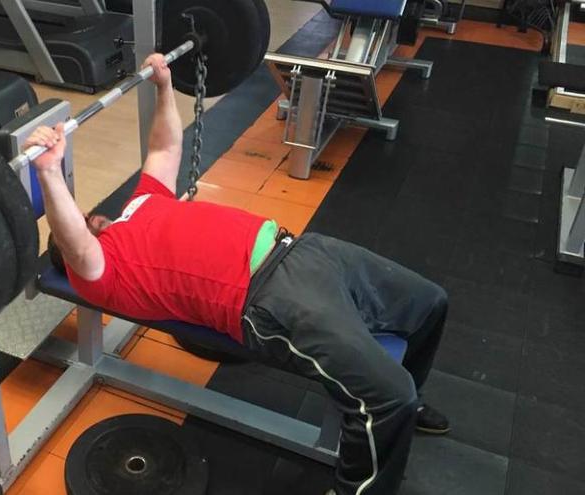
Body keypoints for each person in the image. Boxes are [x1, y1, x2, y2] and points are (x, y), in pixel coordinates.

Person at [26, 53, 449, 495]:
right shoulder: (100, 271)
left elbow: (165, 149)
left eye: (85, 213)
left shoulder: (140, 205)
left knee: (429, 303)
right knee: (387, 395)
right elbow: (73, 242)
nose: (87, 217)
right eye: (77, 224)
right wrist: (49, 170)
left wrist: (165, 87)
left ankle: (409, 408)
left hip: (304, 249)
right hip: (274, 298)